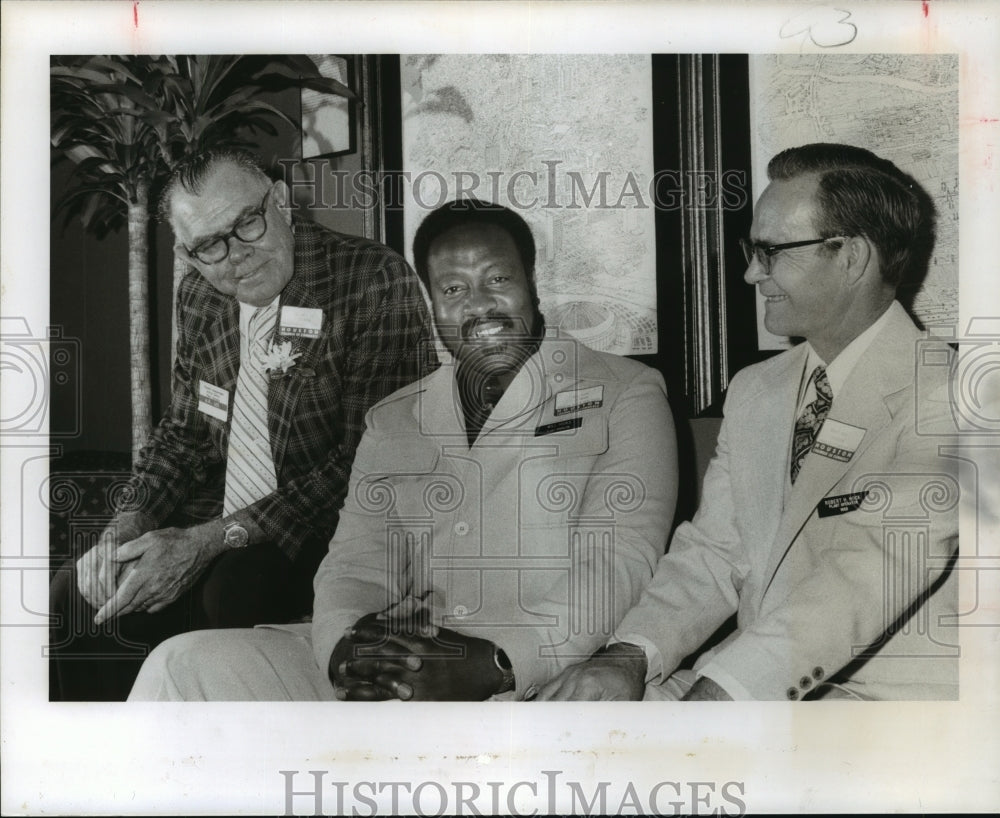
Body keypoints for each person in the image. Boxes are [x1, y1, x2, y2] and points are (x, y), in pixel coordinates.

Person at [127, 199, 678, 701]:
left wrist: (499, 661)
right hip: (399, 665)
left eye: (497, 279)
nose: (480, 306)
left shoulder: (624, 392)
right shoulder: (395, 418)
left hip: (537, 679)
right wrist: (347, 648)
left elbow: (618, 564)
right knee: (181, 667)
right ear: (433, 303)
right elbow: (355, 562)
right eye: (454, 290)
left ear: (532, 284)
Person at [538, 143, 960, 702]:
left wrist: (726, 693)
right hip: (747, 687)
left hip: (886, 712)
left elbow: (869, 572)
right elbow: (712, 552)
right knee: (558, 716)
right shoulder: (756, 390)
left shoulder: (957, 396)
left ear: (852, 257)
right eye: (751, 249)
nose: (749, 273)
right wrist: (630, 655)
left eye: (771, 251)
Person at [50, 149, 436, 700]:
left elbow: (366, 463)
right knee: (76, 595)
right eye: (209, 245)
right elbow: (181, 437)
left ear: (280, 202)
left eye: (246, 224)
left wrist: (209, 542)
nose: (235, 257)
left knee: (234, 592)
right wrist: (124, 529)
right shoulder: (200, 295)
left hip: (330, 531)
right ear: (187, 253)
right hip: (215, 521)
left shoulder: (370, 278)